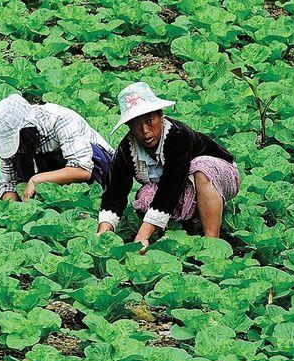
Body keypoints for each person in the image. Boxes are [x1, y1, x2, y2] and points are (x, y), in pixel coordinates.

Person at [97, 81, 241, 249]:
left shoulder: (179, 135)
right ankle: (189, 228)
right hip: (182, 187)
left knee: (201, 167)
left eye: (150, 121)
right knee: (145, 196)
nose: (145, 131)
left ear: (160, 115)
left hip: (221, 179)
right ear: (129, 127)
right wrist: (104, 232)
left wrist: (142, 236)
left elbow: (171, 186)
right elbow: (115, 191)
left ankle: (212, 244)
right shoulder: (127, 149)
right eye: (136, 124)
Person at [0, 92, 113, 201]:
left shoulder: (61, 119)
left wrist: (36, 180)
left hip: (98, 168)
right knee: (19, 158)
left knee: (90, 156)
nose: (15, 146)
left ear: (27, 129)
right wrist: (14, 210)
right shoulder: (5, 138)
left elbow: (84, 169)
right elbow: (8, 184)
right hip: (53, 171)